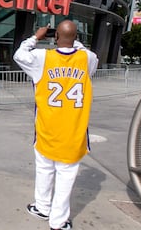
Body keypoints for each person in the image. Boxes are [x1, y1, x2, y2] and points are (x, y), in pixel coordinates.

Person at [13, 20, 98, 230]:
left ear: (55, 37)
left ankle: (42, 207)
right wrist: (73, 41)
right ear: (76, 38)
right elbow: (85, 52)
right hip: (73, 132)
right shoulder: (86, 58)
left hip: (46, 129)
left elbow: (19, 54)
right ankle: (58, 222)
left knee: (44, 170)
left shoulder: (42, 57)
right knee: (65, 178)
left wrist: (37, 37)